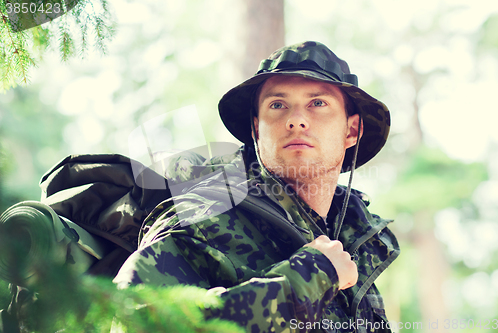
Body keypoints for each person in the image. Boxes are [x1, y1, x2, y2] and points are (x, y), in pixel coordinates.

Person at [114, 41, 400, 333]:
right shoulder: (203, 220)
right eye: (277, 105)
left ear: (351, 130)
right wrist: (308, 277)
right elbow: (136, 322)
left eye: (318, 103)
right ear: (256, 130)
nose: (296, 120)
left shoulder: (356, 243)